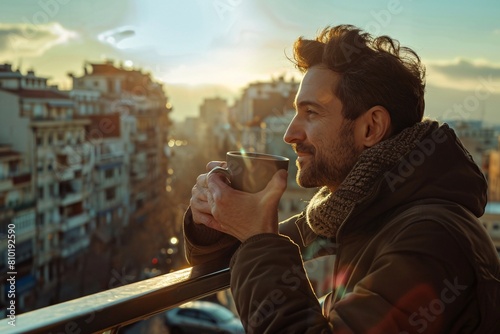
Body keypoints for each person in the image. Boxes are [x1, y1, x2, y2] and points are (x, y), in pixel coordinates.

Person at [183, 24, 500, 333]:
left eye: (312, 113)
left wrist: (257, 237)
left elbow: (256, 249)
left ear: (370, 128)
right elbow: (226, 257)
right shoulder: (354, 209)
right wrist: (210, 217)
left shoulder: (431, 240)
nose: (290, 134)